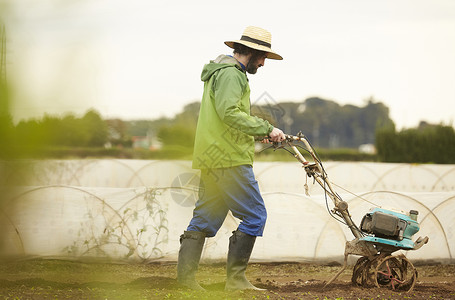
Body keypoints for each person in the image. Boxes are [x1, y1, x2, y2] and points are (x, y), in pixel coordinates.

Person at [177, 26, 286, 291]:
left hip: (216, 157)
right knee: (255, 215)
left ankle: (186, 282)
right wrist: (266, 128)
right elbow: (229, 113)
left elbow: (227, 119)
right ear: (250, 52)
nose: (262, 63)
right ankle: (236, 281)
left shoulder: (220, 73)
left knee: (204, 219)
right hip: (229, 160)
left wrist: (253, 135)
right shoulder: (231, 75)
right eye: (262, 57)